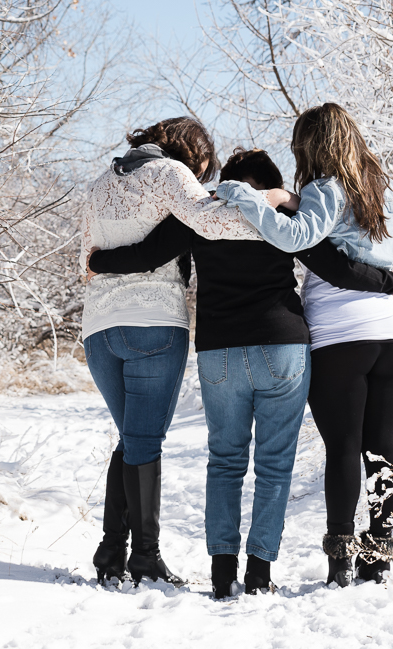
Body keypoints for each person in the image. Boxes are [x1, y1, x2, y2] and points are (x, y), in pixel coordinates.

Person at [88, 148, 393, 599]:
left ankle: (221, 572)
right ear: (271, 183)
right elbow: (335, 266)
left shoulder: (203, 214)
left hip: (219, 352)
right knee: (274, 466)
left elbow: (147, 254)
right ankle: (258, 573)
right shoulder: (280, 220)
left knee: (226, 461)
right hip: (283, 347)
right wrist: (389, 283)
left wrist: (98, 261)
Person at [213, 104, 393, 587]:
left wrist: (250, 199)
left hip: (338, 336)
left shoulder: (326, 189)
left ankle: (341, 562)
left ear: (312, 146)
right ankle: (379, 556)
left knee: (344, 448)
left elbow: (297, 239)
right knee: (384, 449)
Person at [79, 117, 274, 585]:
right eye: (205, 162)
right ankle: (144, 557)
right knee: (143, 442)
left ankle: (111, 551)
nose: (205, 172)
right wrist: (280, 215)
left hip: (99, 329)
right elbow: (210, 221)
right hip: (152, 325)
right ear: (194, 151)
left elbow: (87, 260)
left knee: (131, 439)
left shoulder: (100, 183)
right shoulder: (171, 174)